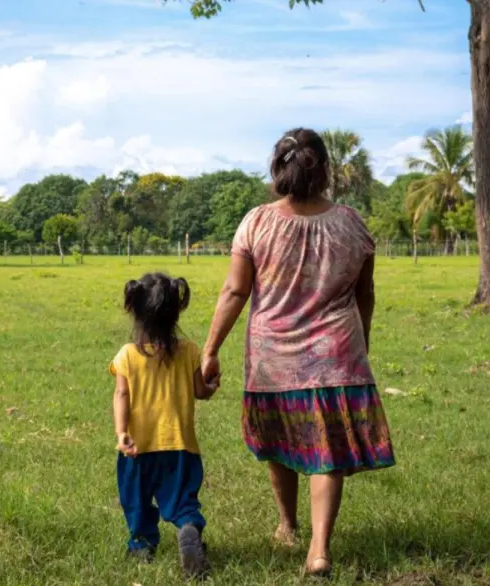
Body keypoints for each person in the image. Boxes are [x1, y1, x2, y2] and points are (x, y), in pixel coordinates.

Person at [201, 128, 395, 577]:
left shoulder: (257, 222)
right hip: (337, 355)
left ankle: (287, 526)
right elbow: (365, 293)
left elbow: (235, 290)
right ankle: (319, 549)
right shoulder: (352, 223)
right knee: (327, 451)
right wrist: (360, 341)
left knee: (278, 442)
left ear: (278, 169)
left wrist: (211, 350)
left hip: (274, 358)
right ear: (325, 170)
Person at [110, 273, 218, 580]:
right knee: (183, 499)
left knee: (136, 499)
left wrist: (121, 433)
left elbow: (121, 394)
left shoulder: (127, 355)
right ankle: (187, 527)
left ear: (136, 311)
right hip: (180, 446)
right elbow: (201, 391)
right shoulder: (189, 351)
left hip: (137, 448)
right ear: (176, 312)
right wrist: (212, 387)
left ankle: (142, 544)